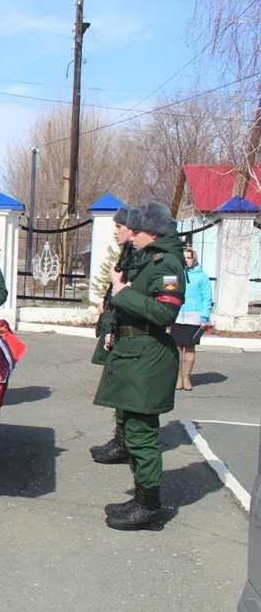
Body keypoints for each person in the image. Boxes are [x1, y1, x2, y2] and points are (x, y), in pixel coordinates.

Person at [94, 201, 185, 531]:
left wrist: (121, 291)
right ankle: (142, 498)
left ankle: (149, 508)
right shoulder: (151, 259)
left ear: (152, 232)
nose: (131, 235)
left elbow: (164, 313)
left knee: (143, 435)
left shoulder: (166, 263)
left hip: (148, 357)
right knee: (134, 429)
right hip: (137, 353)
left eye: (137, 231)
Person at [89, 206, 134, 465]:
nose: (115, 231)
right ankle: (120, 437)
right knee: (116, 383)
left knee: (123, 385)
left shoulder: (137, 256)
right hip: (116, 323)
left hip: (127, 331)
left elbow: (128, 289)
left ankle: (125, 441)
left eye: (119, 226)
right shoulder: (127, 253)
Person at [173, 245, 213, 391]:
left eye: (188, 258)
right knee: (176, 349)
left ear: (193, 259)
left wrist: (204, 317)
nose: (186, 260)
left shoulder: (202, 276)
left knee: (189, 348)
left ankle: (186, 378)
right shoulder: (173, 274)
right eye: (183, 258)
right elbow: (167, 294)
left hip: (194, 318)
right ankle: (177, 378)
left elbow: (207, 298)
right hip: (176, 317)